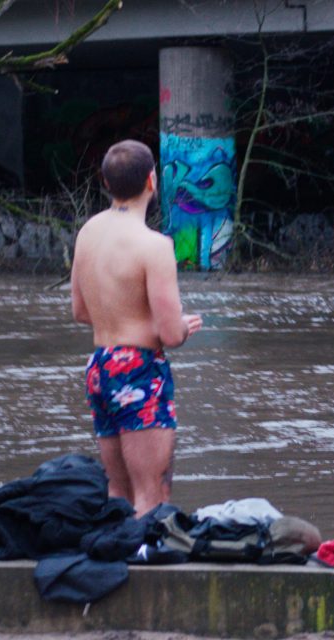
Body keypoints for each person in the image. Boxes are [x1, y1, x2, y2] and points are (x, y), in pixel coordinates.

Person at [71, 139, 202, 516]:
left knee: (118, 491)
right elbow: (170, 335)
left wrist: (121, 316)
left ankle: (115, 565)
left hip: (100, 366)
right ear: (152, 180)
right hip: (138, 369)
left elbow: (80, 311)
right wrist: (181, 325)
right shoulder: (154, 246)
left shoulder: (88, 233)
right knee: (152, 493)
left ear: (105, 182)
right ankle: (149, 568)